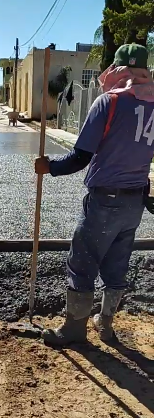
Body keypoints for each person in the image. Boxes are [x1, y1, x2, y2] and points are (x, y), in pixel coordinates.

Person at [35, 44, 154, 346]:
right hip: (134, 202)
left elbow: (80, 157)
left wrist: (49, 167)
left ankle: (74, 330)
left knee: (84, 261)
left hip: (105, 201)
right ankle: (106, 324)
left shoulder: (108, 103)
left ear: (118, 69)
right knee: (117, 263)